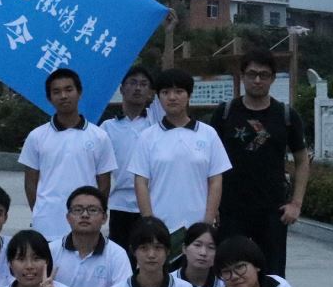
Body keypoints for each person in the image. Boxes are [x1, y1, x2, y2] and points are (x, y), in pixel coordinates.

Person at [214, 47, 310, 277]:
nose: (257, 80)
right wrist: (212, 206)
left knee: (272, 275)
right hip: (231, 210)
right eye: (252, 74)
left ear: (273, 78)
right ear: (242, 76)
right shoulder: (225, 113)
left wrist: (296, 204)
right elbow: (210, 162)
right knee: (229, 271)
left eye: (264, 75)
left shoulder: (286, 116)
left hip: (272, 211)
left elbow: (302, 160)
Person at [130, 68, 230, 260]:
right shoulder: (148, 137)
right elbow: (140, 182)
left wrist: (207, 222)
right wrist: (149, 222)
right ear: (158, 96)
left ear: (189, 95)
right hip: (160, 225)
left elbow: (216, 180)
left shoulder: (208, 134)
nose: (172, 97)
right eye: (165, 92)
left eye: (179, 91)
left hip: (198, 225)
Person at [18, 68, 115, 242]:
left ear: (79, 93)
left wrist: (95, 213)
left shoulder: (99, 136)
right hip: (47, 225)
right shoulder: (36, 136)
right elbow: (30, 183)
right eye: (56, 92)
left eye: (68, 90)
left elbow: (104, 183)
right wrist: (40, 211)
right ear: (49, 98)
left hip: (85, 223)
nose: (63, 96)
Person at [100, 65, 162, 249]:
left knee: (151, 253)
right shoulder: (107, 128)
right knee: (121, 254)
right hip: (120, 205)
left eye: (143, 84)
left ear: (150, 92)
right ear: (121, 89)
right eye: (132, 83)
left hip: (153, 203)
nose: (138, 88)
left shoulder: (157, 123)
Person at [177, 222, 223, 287]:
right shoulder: (169, 283)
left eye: (211, 247)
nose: (203, 253)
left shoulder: (224, 285)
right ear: (184, 248)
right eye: (197, 245)